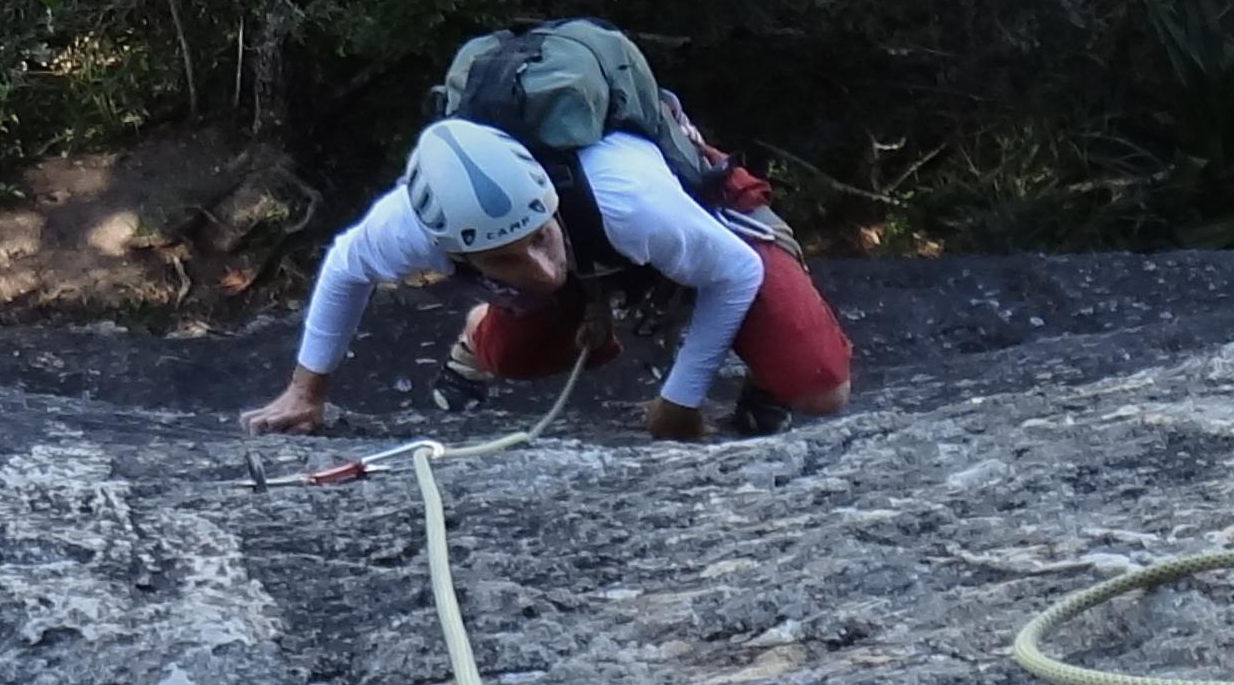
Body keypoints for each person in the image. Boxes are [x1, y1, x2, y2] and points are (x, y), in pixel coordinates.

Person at [240, 107, 846, 446]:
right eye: (504, 258)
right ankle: (478, 333)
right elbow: (346, 267)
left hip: (691, 218)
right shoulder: (411, 225)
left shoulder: (633, 200)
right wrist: (306, 392)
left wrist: (678, 401)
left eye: (537, 240)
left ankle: (766, 376)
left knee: (818, 386)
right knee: (521, 354)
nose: (538, 268)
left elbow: (735, 271)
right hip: (593, 241)